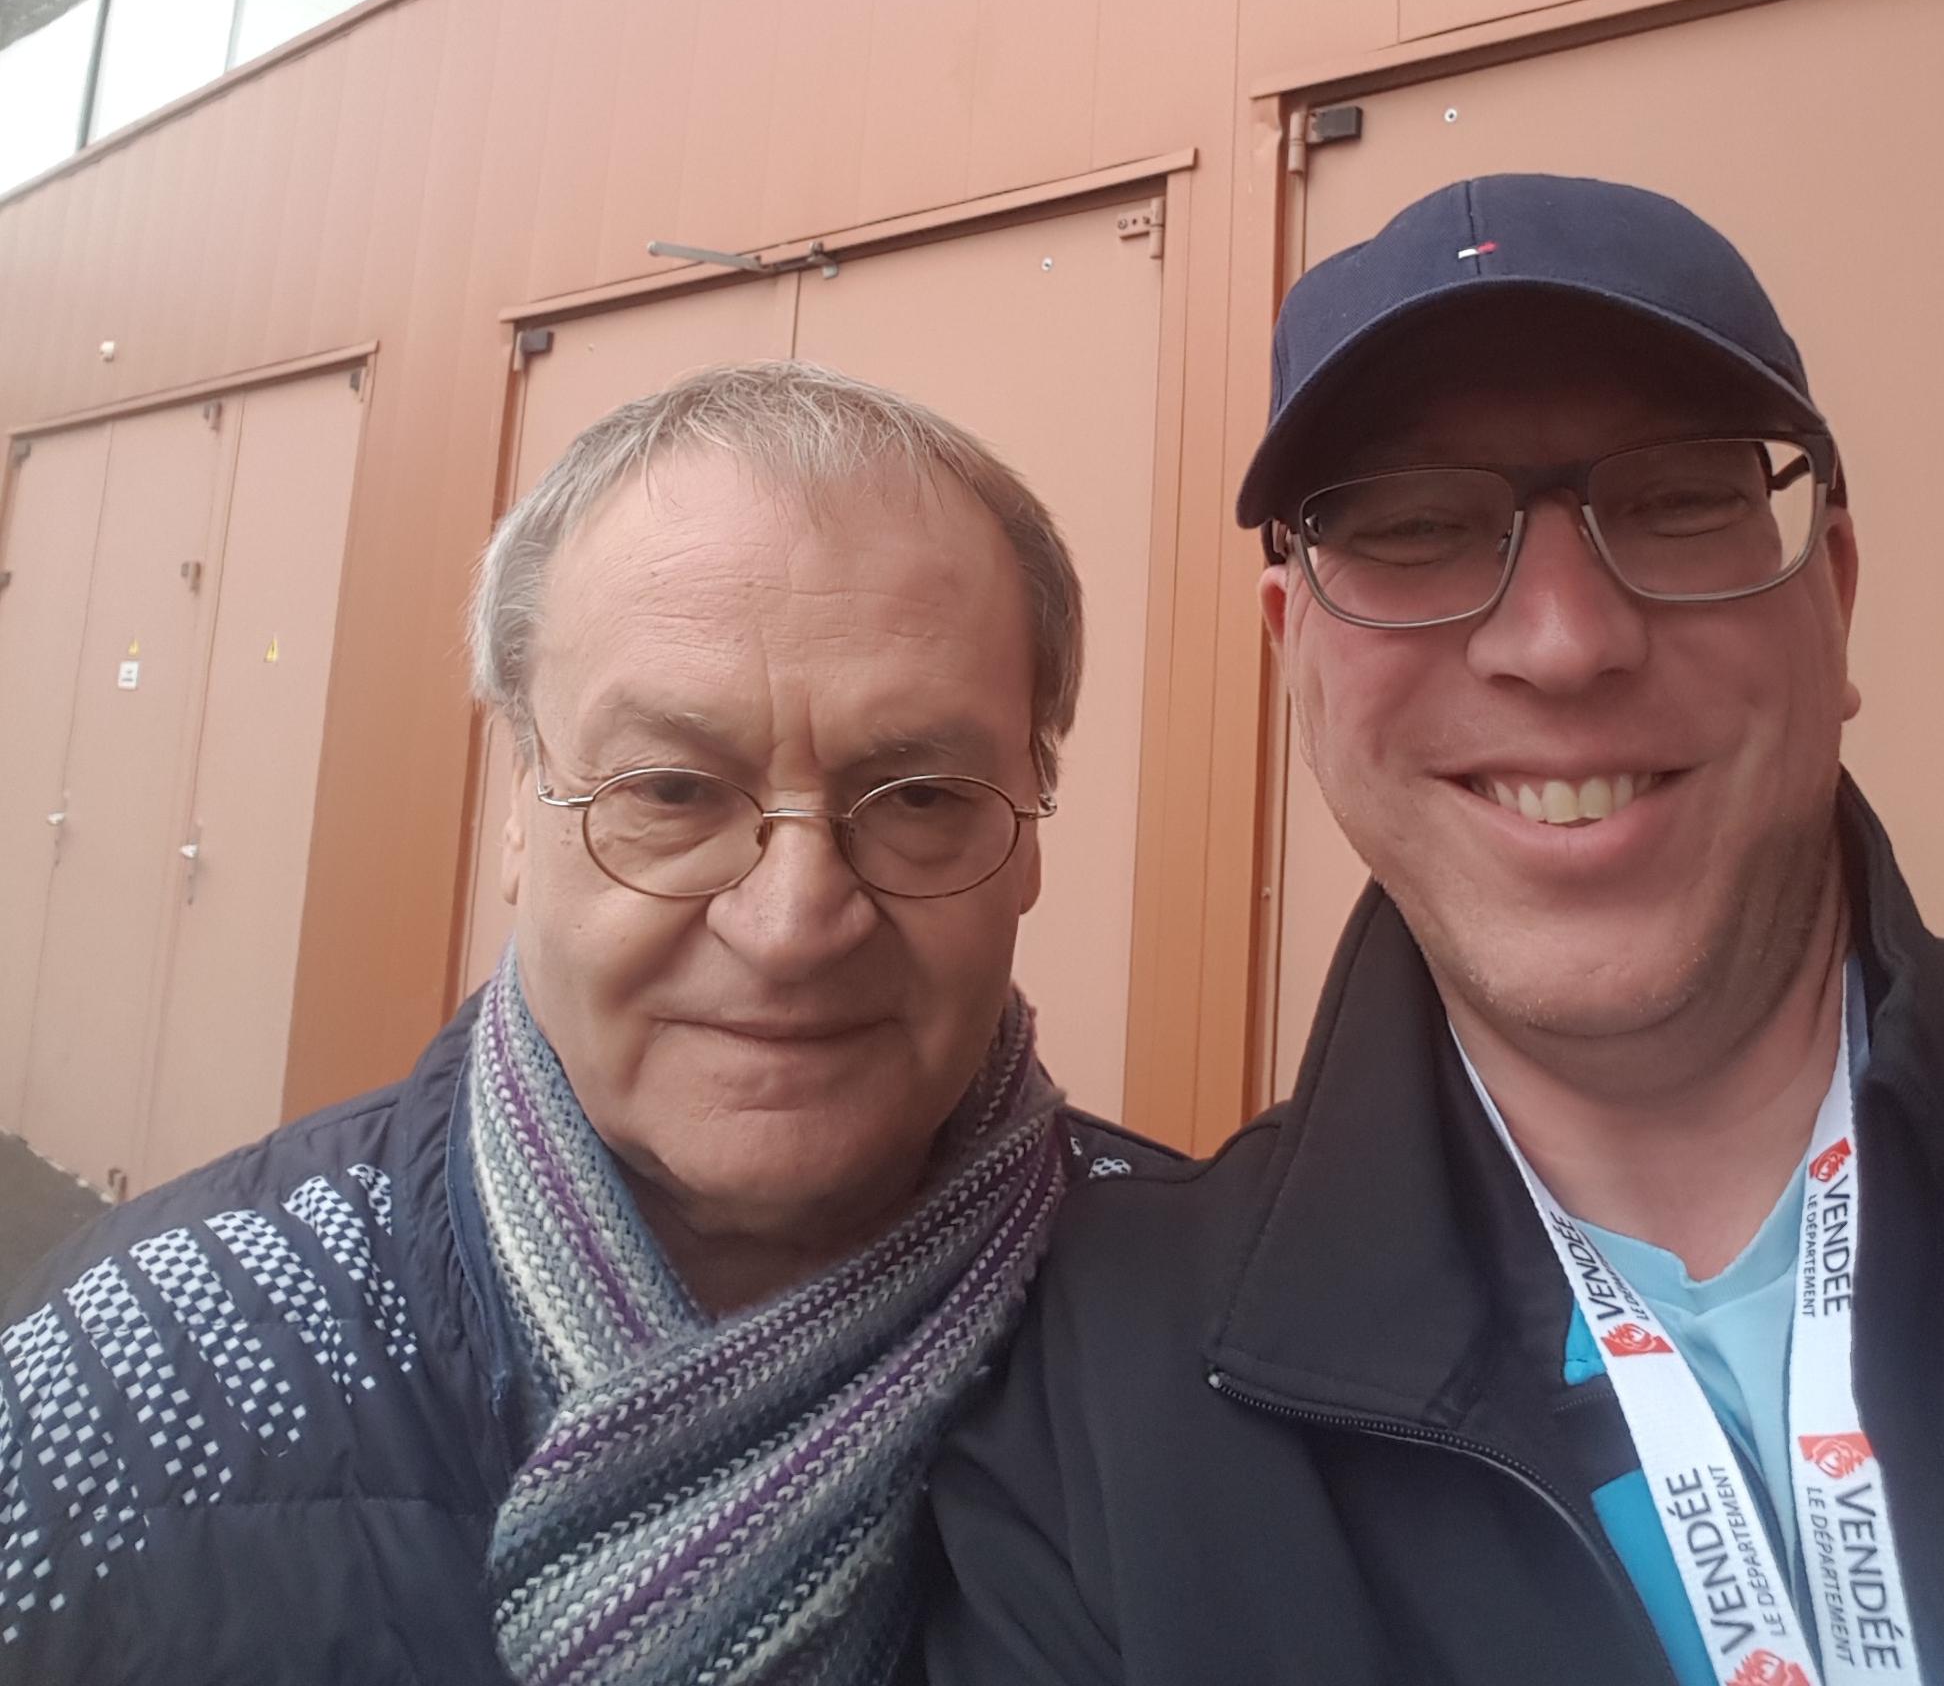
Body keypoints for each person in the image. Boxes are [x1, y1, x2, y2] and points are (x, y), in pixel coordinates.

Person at [0, 361, 1167, 1686]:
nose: (792, 924)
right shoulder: (122, 1395)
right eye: (672, 789)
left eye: (916, 798)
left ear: (1028, 832)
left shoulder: (1220, 1363)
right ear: (518, 811)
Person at [929, 173, 1944, 1686]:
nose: (1564, 641)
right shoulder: (1092, 1420)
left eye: (1673, 503)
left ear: (1833, 601)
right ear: (1298, 668)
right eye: (1415, 529)